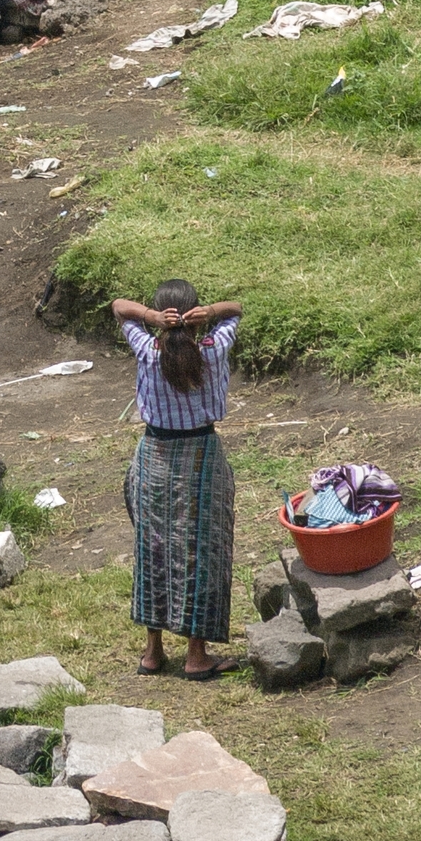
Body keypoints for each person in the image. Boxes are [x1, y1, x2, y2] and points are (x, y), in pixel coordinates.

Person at [110, 280, 242, 680]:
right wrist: (214, 312)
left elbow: (118, 307)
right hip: (201, 457)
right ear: (197, 315)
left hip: (154, 457)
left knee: (153, 549)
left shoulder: (148, 350)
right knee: (199, 552)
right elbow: (236, 309)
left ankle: (152, 653)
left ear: (162, 318)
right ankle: (196, 656)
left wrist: (148, 318)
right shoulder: (214, 349)